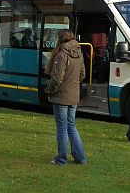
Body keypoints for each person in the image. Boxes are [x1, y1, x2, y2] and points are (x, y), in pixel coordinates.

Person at [45, 29, 87, 166]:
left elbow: (57, 79)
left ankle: (61, 159)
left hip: (61, 96)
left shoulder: (61, 55)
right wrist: (73, 85)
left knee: (62, 129)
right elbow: (82, 75)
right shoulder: (79, 53)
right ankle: (80, 158)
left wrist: (49, 90)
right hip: (73, 95)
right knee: (71, 126)